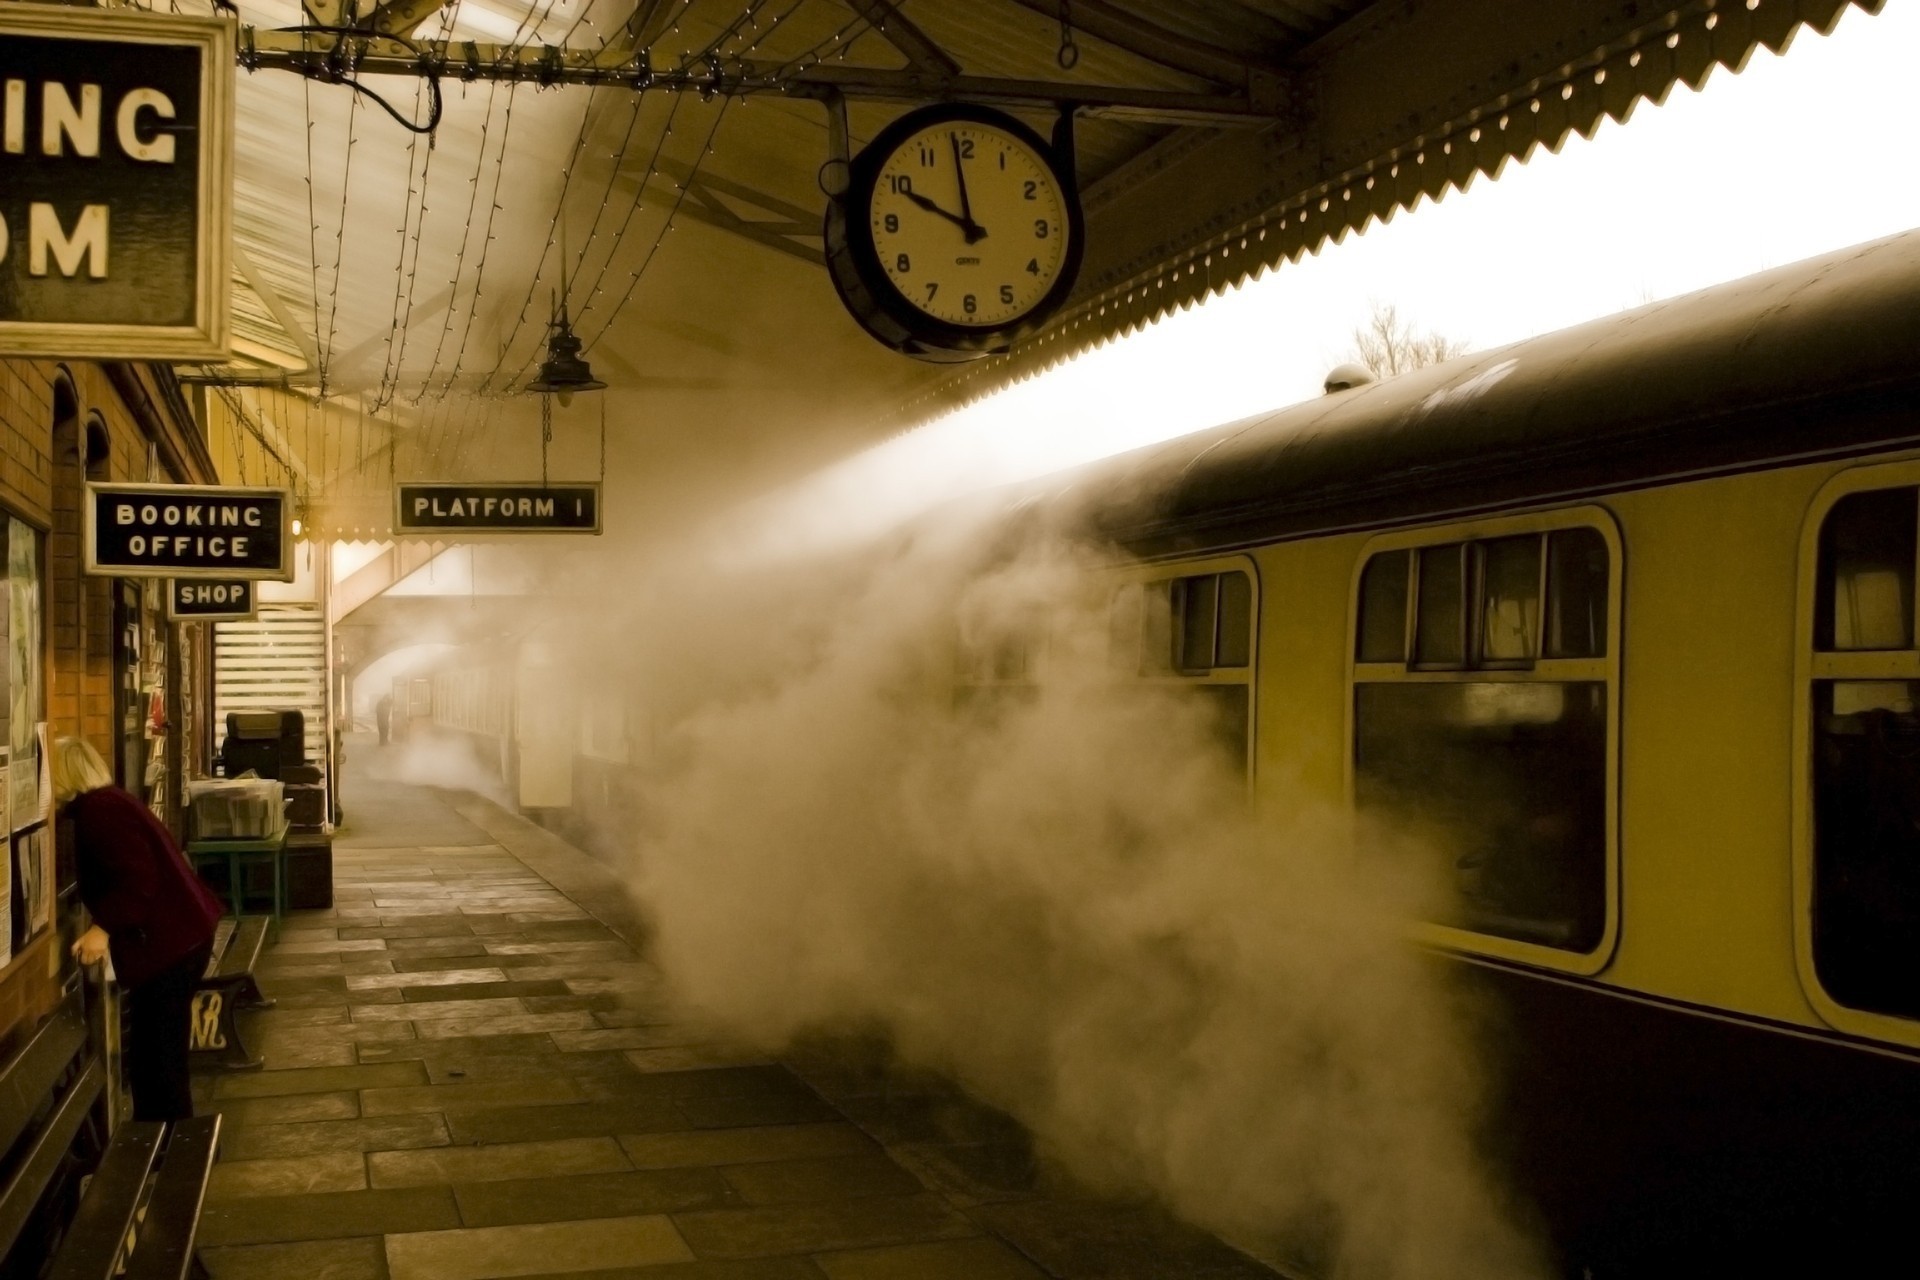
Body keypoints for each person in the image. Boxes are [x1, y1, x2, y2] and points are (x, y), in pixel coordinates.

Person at [56, 737, 222, 1122]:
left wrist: (102, 928)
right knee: (159, 1052)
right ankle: (167, 1137)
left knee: (157, 1056)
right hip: (181, 937)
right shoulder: (108, 802)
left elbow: (137, 881)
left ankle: (165, 1142)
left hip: (170, 944)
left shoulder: (100, 811)